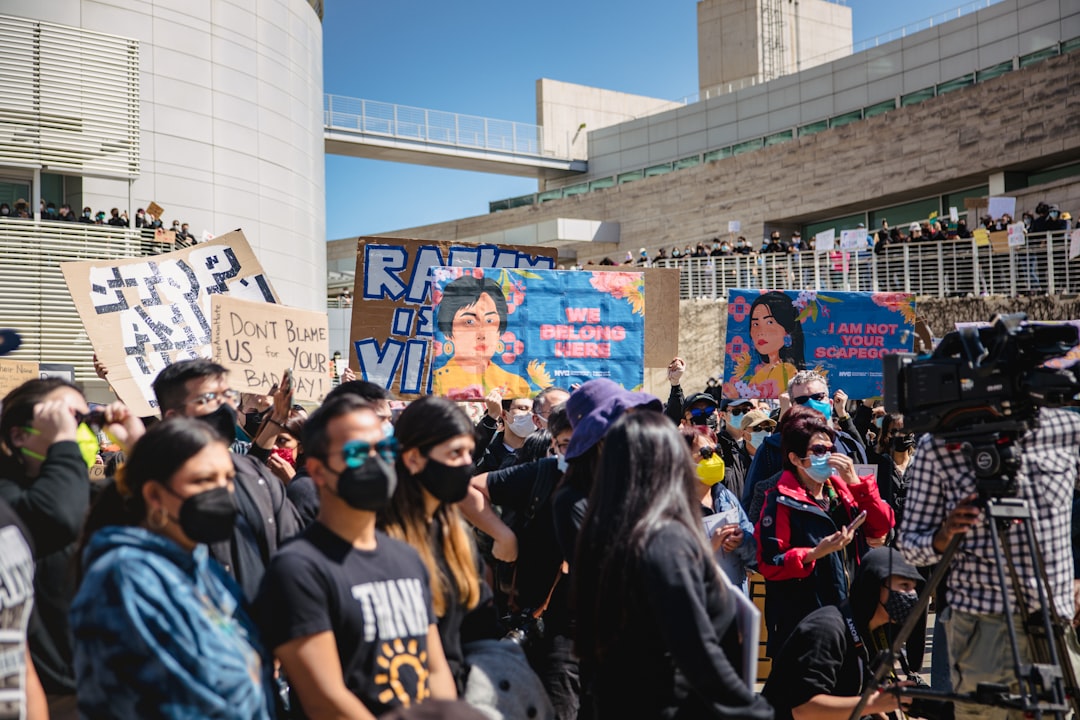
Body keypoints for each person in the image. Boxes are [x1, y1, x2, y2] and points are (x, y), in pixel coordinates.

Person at [254, 394, 457, 717]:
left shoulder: (407, 557)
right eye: (358, 453)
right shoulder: (298, 569)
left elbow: (435, 668)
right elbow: (325, 698)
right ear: (318, 471)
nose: (377, 461)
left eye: (385, 450)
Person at [70, 418, 275, 719]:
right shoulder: (125, 577)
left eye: (228, 479)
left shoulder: (201, 563)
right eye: (204, 480)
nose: (222, 492)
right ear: (154, 496)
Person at [573, 411, 773, 719]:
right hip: (668, 701)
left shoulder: (611, 524)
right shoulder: (663, 538)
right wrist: (753, 710)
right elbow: (695, 644)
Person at [898, 405, 1080, 720]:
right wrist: (944, 534)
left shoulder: (1069, 428)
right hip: (980, 631)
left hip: (1055, 624)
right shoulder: (939, 442)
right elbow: (911, 548)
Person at [0, 379, 143, 719]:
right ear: (19, 436)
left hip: (108, 681)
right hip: (49, 694)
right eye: (66, 418)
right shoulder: (9, 497)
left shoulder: (82, 491)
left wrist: (139, 445)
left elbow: (155, 501)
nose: (77, 430)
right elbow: (59, 515)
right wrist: (64, 441)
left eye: (86, 422)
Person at [463, 403, 579, 720]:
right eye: (567, 444)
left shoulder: (623, 478)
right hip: (540, 624)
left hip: (600, 629)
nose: (577, 453)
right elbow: (468, 489)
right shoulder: (544, 473)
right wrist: (503, 536)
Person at [152, 358, 301, 600]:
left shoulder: (256, 475)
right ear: (173, 417)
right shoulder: (153, 491)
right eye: (209, 398)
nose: (225, 406)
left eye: (228, 395)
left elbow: (293, 551)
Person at [379, 396, 497, 694]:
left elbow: (480, 625)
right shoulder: (379, 538)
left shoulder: (456, 535)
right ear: (413, 458)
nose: (467, 464)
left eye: (470, 452)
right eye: (455, 453)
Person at [756, 408, 893, 656]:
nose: (828, 457)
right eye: (819, 451)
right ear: (796, 459)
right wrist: (814, 553)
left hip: (851, 613)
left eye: (831, 449)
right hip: (807, 619)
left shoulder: (841, 490)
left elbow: (882, 526)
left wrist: (857, 483)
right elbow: (769, 561)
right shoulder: (779, 500)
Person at [762, 547, 922, 720]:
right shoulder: (826, 630)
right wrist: (875, 703)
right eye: (904, 586)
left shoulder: (870, 631)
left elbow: (869, 698)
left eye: (914, 588)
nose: (912, 595)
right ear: (874, 586)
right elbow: (803, 708)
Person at [742, 370, 867, 510]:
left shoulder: (850, 447)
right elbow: (752, 505)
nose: (811, 404)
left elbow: (868, 503)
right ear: (793, 407)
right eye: (802, 400)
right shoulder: (771, 449)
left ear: (830, 403)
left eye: (818, 397)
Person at [432, 275, 533, 398]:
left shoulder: (516, 386)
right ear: (448, 330)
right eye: (469, 322)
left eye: (490, 321)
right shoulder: (434, 383)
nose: (481, 334)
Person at [683, 425, 757, 593]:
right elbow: (668, 567)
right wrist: (709, 548)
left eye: (716, 451)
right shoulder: (673, 507)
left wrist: (742, 541)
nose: (714, 458)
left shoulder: (726, 497)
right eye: (706, 453)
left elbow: (756, 556)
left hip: (735, 601)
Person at [743, 291, 805, 396]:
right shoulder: (758, 376)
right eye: (755, 324)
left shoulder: (789, 371)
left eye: (769, 322)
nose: (760, 332)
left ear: (786, 330)